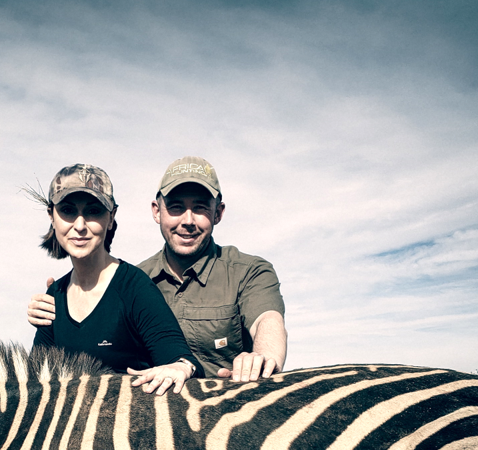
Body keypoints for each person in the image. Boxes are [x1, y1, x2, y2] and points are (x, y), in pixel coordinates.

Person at [27, 156, 287, 381]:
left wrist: (262, 358)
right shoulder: (135, 278)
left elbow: (268, 320)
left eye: (199, 207)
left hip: (232, 408)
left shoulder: (248, 271)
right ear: (156, 211)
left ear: (218, 213)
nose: (187, 220)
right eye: (175, 207)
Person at [30, 164, 201, 396]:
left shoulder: (134, 287)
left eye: (93, 211)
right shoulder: (54, 296)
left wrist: (181, 366)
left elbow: (181, 360)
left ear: (111, 218)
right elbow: (36, 383)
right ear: (52, 217)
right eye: (68, 211)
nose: (79, 226)